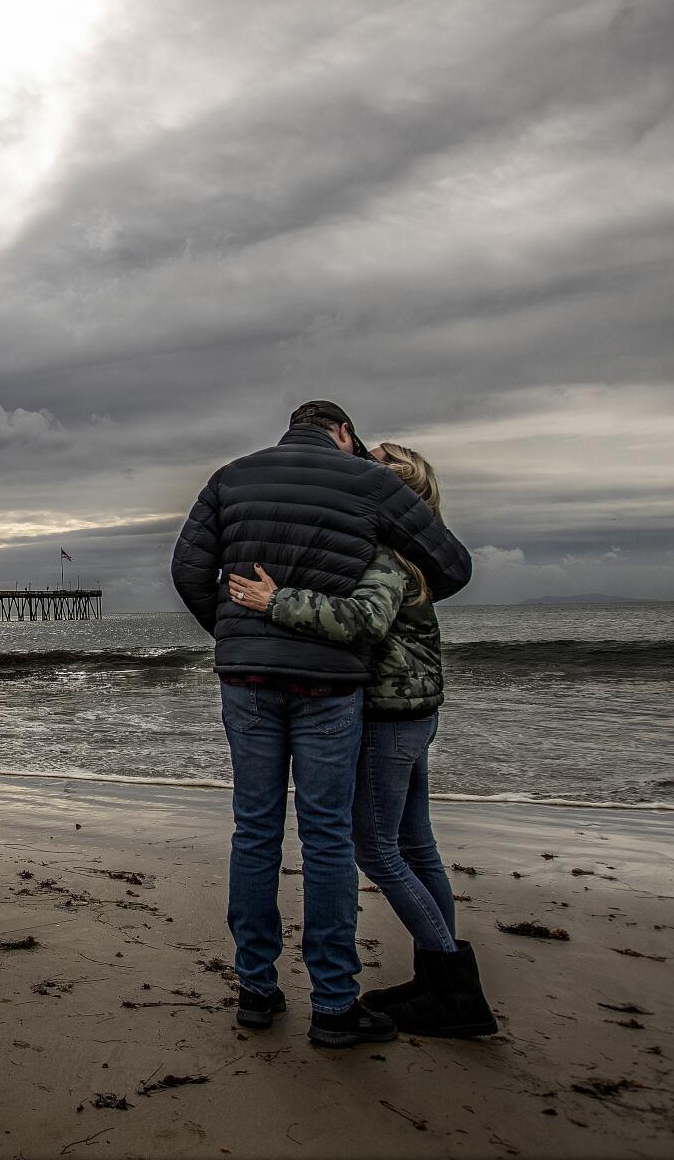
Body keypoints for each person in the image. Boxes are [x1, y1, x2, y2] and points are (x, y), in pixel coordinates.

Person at [170, 400, 472, 1048]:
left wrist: (238, 634)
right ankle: (334, 1003)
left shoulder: (231, 475)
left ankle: (256, 989)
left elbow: (189, 570)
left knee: (254, 831)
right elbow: (452, 563)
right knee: (329, 837)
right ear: (341, 431)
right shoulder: (369, 482)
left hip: (246, 680)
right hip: (331, 681)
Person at [226, 442, 497, 1037]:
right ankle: (437, 980)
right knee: (417, 847)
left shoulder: (384, 559)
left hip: (387, 717)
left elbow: (365, 621)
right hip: (414, 711)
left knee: (376, 849)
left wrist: (275, 602)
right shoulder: (409, 555)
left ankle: (453, 985)